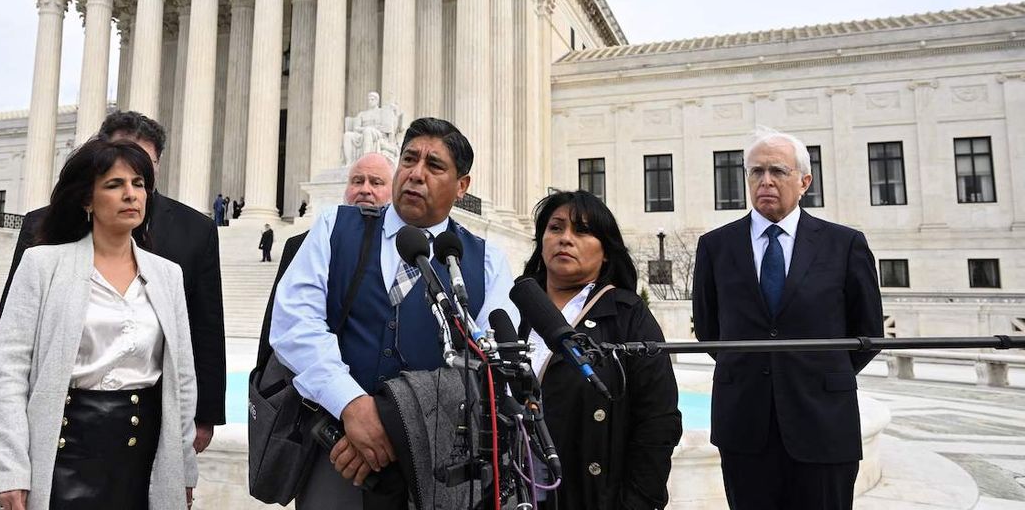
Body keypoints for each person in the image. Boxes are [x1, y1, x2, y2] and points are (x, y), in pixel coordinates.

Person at [270, 118, 519, 508]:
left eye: (434, 166)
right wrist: (350, 404)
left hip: (433, 467)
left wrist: (389, 419)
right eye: (409, 159)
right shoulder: (335, 228)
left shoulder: (486, 262)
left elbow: (489, 365)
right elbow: (293, 324)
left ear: (462, 185)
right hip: (337, 455)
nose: (416, 175)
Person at [0, 111, 225, 465]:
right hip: (60, 422)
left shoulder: (195, 231)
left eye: (143, 168)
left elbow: (205, 329)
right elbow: (12, 338)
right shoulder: (43, 227)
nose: (131, 185)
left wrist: (205, 415)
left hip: (146, 422)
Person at [693, 129, 883, 510]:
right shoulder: (715, 246)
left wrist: (818, 372)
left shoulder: (844, 244)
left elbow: (868, 332)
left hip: (824, 421)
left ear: (804, 181)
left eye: (778, 171)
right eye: (756, 172)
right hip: (745, 424)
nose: (765, 181)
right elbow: (710, 329)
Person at [520, 190, 682, 509]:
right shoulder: (514, 308)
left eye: (582, 231)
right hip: (515, 490)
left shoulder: (627, 315)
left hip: (591, 495)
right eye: (555, 228)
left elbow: (658, 421)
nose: (565, 239)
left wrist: (637, 502)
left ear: (606, 251)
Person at [256, 152, 395, 370]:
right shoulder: (300, 244)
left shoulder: (405, 249)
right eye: (357, 181)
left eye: (376, 182)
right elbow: (275, 325)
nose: (365, 189)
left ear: (394, 193)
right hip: (310, 389)